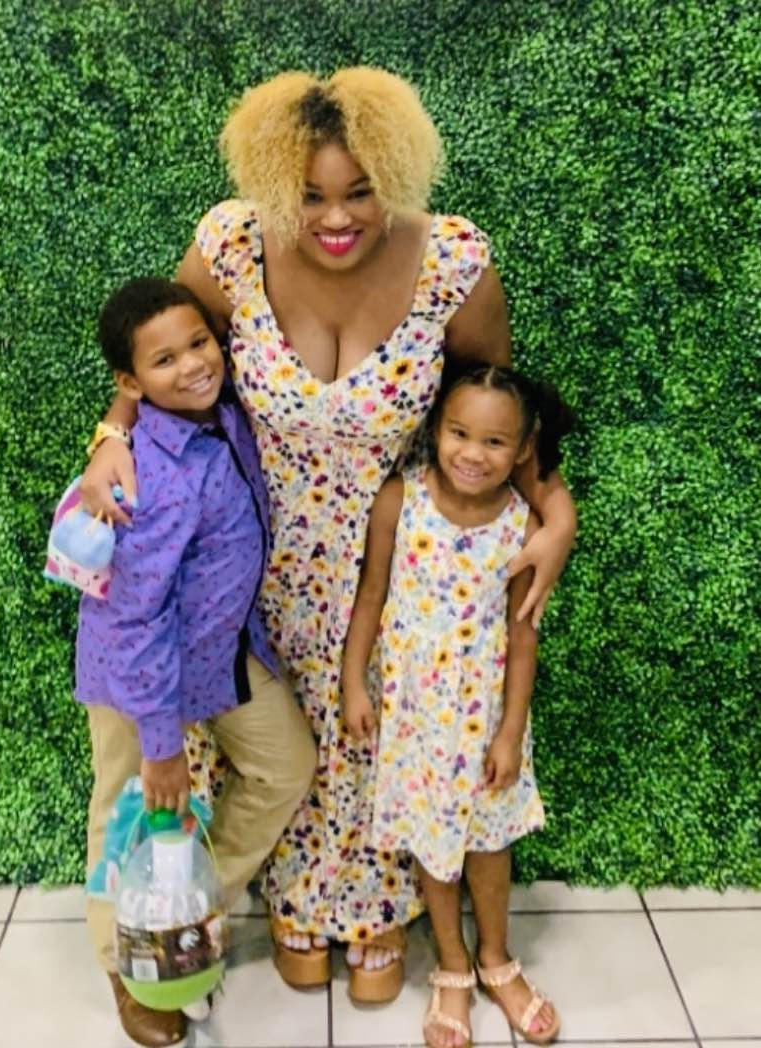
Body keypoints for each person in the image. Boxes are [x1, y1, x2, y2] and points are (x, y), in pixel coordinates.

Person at [80, 68, 577, 1001]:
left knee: (373, 726)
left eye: (359, 191)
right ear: (276, 184)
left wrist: (558, 516)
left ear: (396, 173)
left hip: (400, 555)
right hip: (252, 554)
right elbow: (156, 349)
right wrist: (112, 436)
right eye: (309, 195)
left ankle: (373, 907)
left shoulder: (454, 262)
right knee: (282, 736)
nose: (335, 216)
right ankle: (274, 909)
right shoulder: (230, 243)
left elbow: (502, 413)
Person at [76, 277, 316, 1047]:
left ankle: (187, 908)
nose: (192, 366)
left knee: (285, 767)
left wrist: (108, 428)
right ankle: (125, 958)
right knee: (127, 816)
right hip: (134, 678)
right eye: (165, 359)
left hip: (221, 655)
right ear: (130, 382)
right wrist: (162, 745)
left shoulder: (221, 415)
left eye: (199, 344)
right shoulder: (144, 480)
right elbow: (137, 620)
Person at [342, 361, 573, 1048]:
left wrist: (510, 733)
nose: (473, 453)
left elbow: (523, 637)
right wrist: (355, 680)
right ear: (435, 430)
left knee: (488, 842)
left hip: (485, 720)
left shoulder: (522, 526)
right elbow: (371, 597)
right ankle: (451, 966)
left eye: (495, 442)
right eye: (459, 433)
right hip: (415, 719)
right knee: (433, 845)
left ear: (524, 448)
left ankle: (497, 958)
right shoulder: (399, 500)